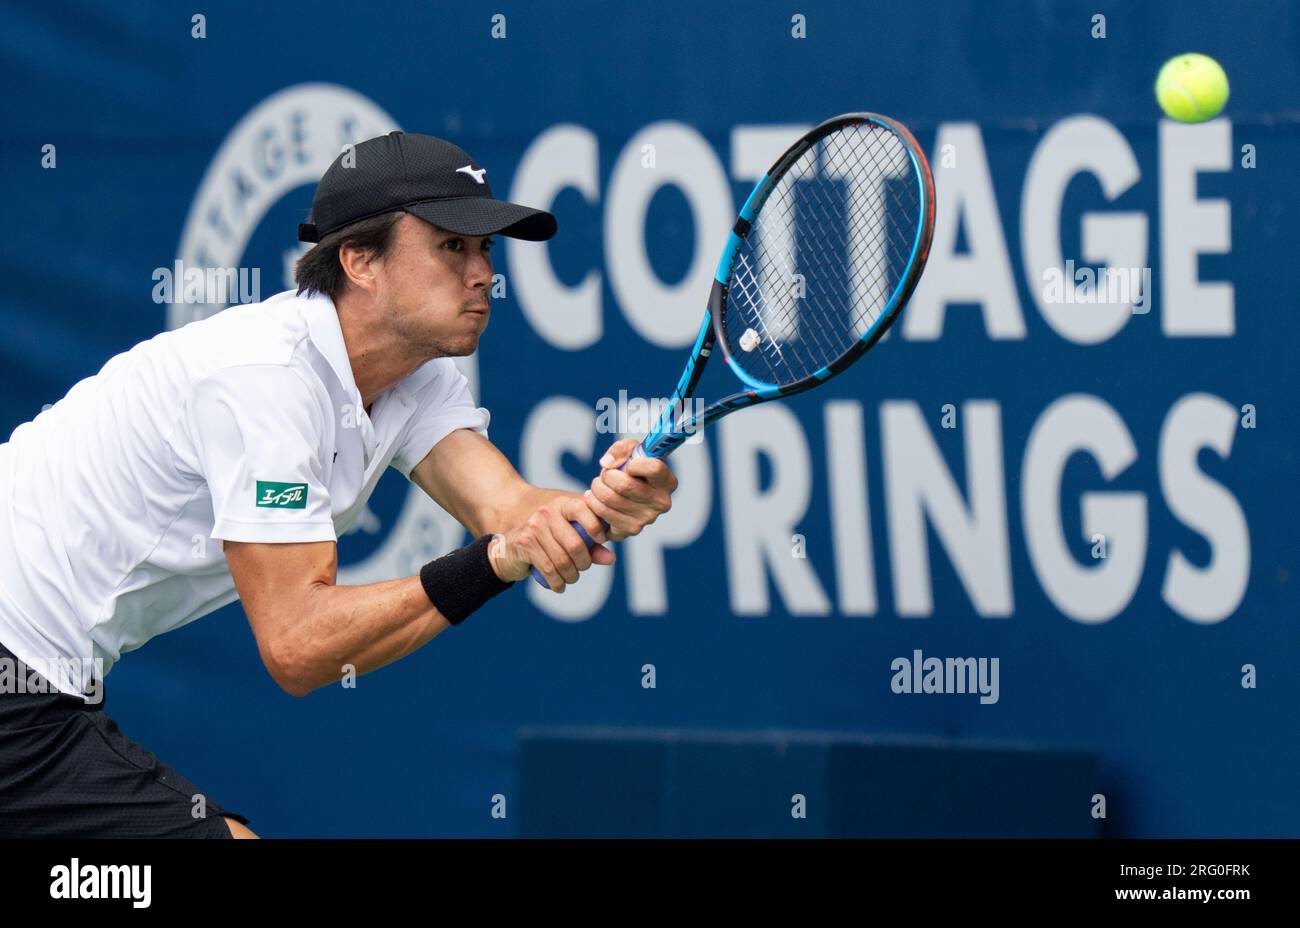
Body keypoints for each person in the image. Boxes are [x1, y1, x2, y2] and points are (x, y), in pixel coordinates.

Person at [0, 131, 677, 838]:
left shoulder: (417, 376)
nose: (482, 274)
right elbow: (297, 645)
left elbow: (507, 508)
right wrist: (495, 562)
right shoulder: (267, 381)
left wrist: (601, 507)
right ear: (359, 260)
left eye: (486, 252)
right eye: (452, 247)